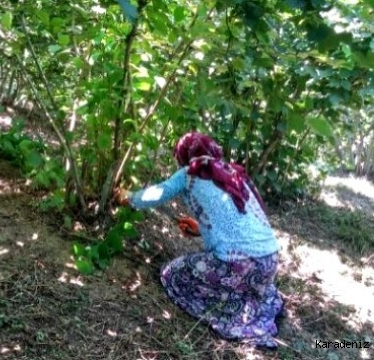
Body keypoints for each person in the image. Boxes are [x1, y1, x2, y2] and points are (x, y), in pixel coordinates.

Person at [114, 131, 285, 349]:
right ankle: (256, 303)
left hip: (240, 265)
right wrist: (199, 229)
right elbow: (234, 220)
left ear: (185, 155)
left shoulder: (190, 173)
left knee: (172, 274)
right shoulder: (231, 173)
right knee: (235, 277)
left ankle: (237, 319)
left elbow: (158, 193)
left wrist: (129, 198)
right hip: (269, 263)